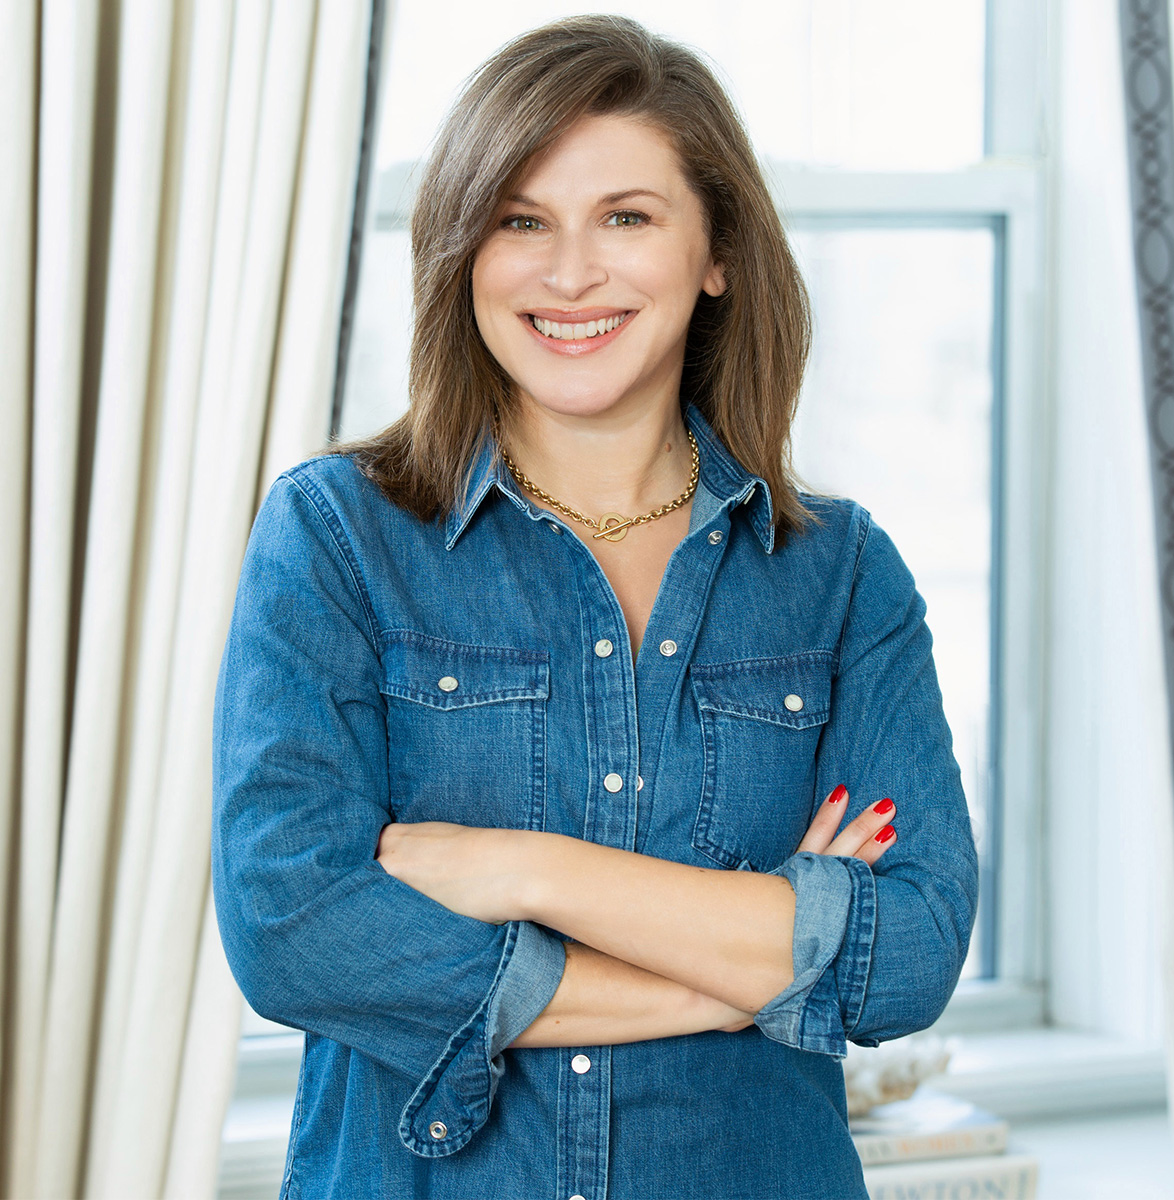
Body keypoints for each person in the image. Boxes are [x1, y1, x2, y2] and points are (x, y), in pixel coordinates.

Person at [211, 14, 979, 1200]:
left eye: (627, 217)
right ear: (466, 250)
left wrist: (516, 868)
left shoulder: (840, 577)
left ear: (716, 249)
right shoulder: (337, 537)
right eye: (523, 221)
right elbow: (295, 931)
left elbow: (912, 954)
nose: (569, 274)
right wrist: (742, 967)